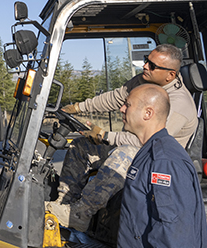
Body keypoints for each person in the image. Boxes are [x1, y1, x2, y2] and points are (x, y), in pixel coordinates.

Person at [46, 44, 198, 230]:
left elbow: (147, 142)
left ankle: (80, 214)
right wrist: (79, 107)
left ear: (170, 75)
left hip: (160, 165)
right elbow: (117, 97)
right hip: (137, 150)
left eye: (152, 65)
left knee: (125, 154)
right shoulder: (145, 82)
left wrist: (105, 135)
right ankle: (64, 203)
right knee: (82, 146)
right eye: (146, 60)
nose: (145, 67)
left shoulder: (178, 104)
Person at [118, 83, 207, 248]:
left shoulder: (164, 160)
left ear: (147, 113)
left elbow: (173, 226)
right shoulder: (149, 152)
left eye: (127, 105)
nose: (122, 109)